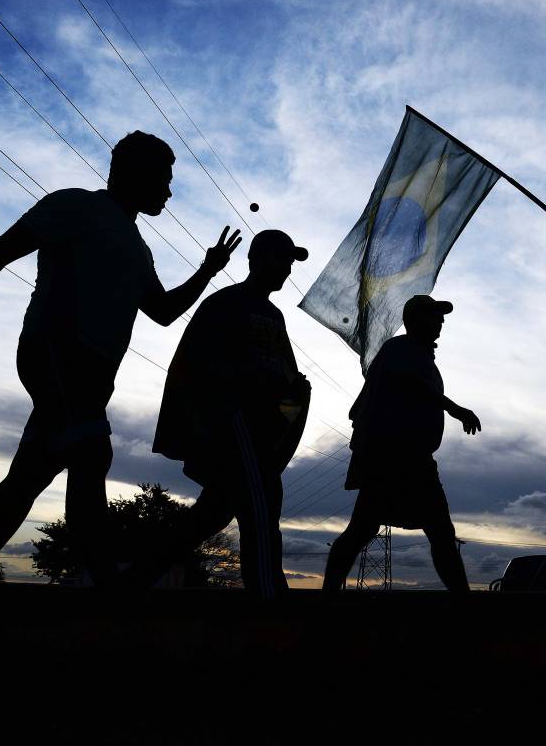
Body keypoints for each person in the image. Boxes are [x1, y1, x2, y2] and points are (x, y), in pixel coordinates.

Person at [0, 131, 240, 586]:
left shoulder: (138, 246)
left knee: (31, 474)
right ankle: (105, 582)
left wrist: (207, 270)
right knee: (92, 456)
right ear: (134, 173)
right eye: (163, 179)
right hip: (56, 352)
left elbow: (162, 311)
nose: (169, 191)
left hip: (93, 375)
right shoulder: (76, 205)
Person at [131, 229, 311, 599]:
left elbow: (284, 377)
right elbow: (197, 367)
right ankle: (271, 602)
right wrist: (210, 425)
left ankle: (134, 580)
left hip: (261, 433)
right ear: (257, 259)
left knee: (212, 515)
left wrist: (293, 401)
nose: (287, 269)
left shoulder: (273, 315)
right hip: (234, 426)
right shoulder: (226, 303)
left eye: (290, 263)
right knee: (261, 513)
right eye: (281, 259)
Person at [322, 295, 481, 592]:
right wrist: (454, 408)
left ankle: (462, 597)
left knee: (433, 531)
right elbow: (411, 383)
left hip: (410, 456)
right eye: (434, 316)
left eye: (441, 317)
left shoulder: (415, 353)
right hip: (393, 457)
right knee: (375, 529)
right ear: (416, 320)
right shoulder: (401, 348)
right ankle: (328, 593)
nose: (441, 322)